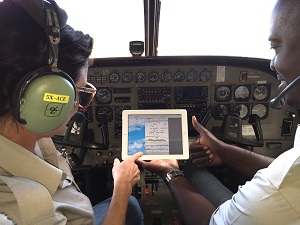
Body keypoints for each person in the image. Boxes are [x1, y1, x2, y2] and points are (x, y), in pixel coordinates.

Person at [136, 0, 300, 224]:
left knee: (186, 172)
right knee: (194, 168)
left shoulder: (281, 194)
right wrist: (224, 151)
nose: (272, 64)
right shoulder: (292, 173)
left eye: (276, 48)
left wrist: (169, 171)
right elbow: (282, 170)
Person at [0, 0, 143, 224]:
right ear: (46, 93)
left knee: (132, 207)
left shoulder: (27, 136)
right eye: (81, 93)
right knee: (130, 203)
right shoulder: (26, 209)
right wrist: (123, 187)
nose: (80, 107)